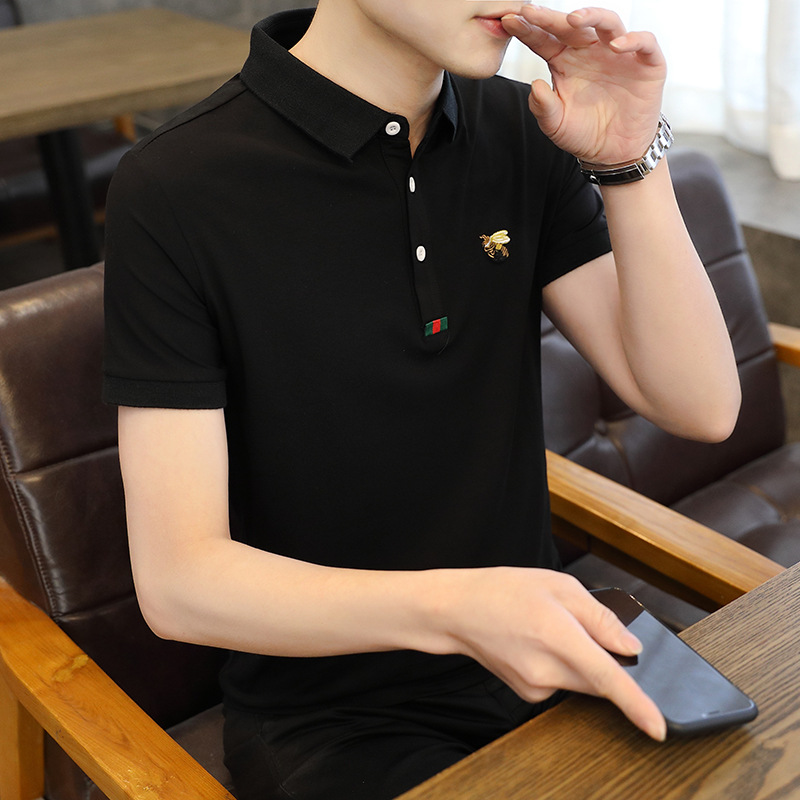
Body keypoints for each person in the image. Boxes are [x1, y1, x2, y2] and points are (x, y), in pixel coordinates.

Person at [102, 3, 741, 798]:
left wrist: (629, 161)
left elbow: (700, 406)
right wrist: (460, 607)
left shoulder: (524, 128)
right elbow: (179, 584)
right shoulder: (175, 185)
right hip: (337, 717)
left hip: (545, 655)